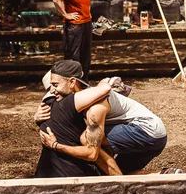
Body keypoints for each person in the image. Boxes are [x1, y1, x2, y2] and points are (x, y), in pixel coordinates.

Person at [36, 67, 169, 175]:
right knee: (115, 171)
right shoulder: (86, 96)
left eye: (54, 86)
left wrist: (56, 146)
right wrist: (36, 116)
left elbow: (92, 154)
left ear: (71, 83)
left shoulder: (94, 107)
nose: (52, 93)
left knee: (87, 139)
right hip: (155, 135)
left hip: (146, 130)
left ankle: (120, 187)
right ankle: (166, 175)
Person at [33, 60, 121, 177]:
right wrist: (105, 83)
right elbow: (104, 90)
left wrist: (36, 118)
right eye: (52, 85)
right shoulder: (70, 102)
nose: (52, 90)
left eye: (55, 85)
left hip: (43, 175)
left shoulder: (47, 104)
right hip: (75, 178)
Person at [53, 0, 93, 77]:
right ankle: (72, 87)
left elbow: (87, 3)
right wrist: (65, 14)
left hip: (86, 24)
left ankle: (83, 85)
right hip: (74, 26)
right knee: (73, 58)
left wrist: (88, 13)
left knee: (86, 57)